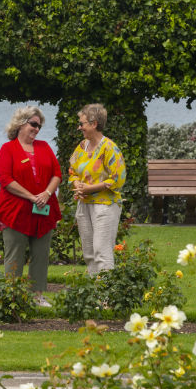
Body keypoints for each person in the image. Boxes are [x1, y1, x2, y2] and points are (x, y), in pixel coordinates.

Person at [0, 106, 62, 307]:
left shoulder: (44, 147)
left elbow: (57, 174)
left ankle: (37, 296)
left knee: (41, 254)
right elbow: (6, 180)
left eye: (39, 126)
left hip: (43, 210)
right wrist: (31, 197)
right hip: (15, 212)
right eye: (33, 124)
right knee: (14, 255)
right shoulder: (8, 149)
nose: (36, 129)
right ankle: (12, 297)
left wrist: (46, 194)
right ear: (21, 123)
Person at [68, 103, 127, 276]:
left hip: (105, 206)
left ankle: (105, 292)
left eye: (82, 123)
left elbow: (118, 178)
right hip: (84, 205)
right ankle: (94, 291)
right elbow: (72, 171)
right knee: (89, 254)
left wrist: (91, 188)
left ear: (94, 124)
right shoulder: (81, 146)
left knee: (102, 252)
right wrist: (77, 185)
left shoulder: (109, 148)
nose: (79, 127)